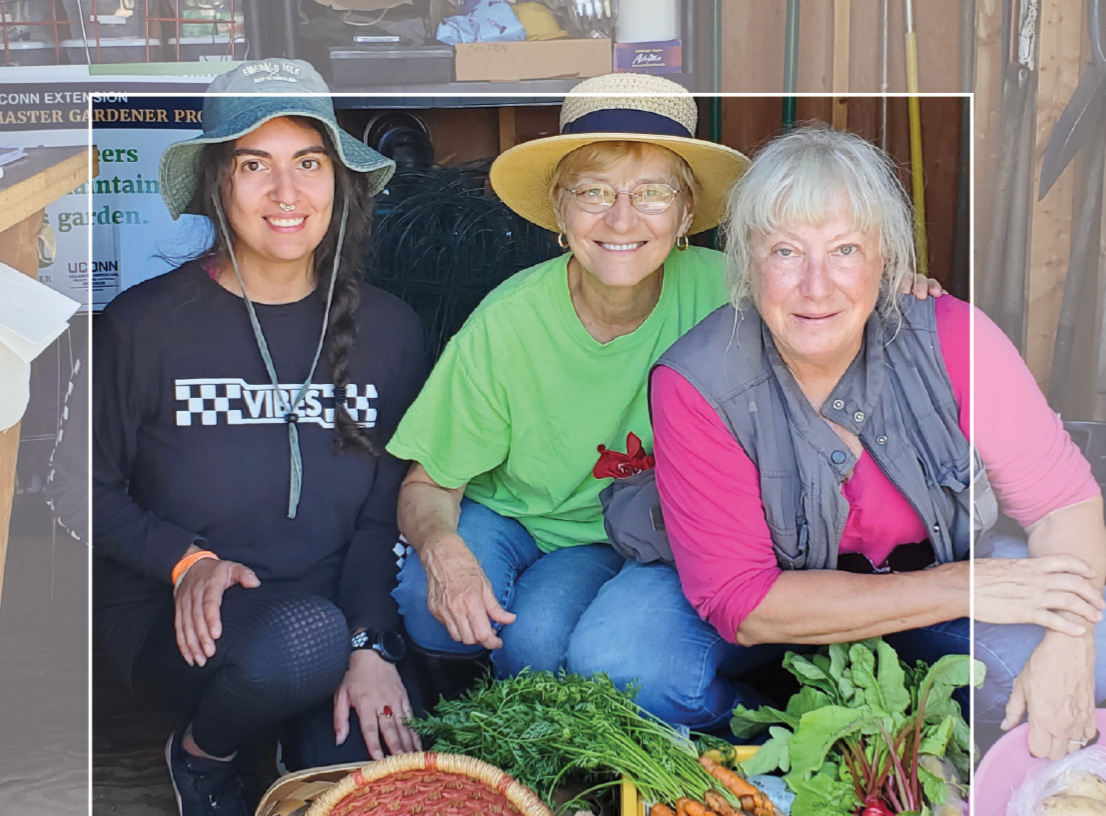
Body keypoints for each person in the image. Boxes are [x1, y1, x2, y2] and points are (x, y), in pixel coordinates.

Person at [388, 76, 934, 726]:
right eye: (594, 193)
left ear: (685, 215)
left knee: (540, 637)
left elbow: (823, 300)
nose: (622, 219)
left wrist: (888, 288)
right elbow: (425, 486)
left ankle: (720, 733)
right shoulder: (507, 322)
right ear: (561, 213)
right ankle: (468, 743)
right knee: (427, 593)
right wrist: (444, 551)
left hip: (651, 533)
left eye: (652, 193)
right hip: (518, 519)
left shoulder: (732, 295)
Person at [650, 123, 1106, 763]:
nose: (816, 285)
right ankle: (770, 745)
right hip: (782, 620)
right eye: (785, 251)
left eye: (844, 250)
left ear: (885, 260)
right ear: (748, 262)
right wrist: (962, 587)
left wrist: (1071, 635)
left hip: (933, 585)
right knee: (631, 660)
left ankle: (961, 763)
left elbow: (1063, 504)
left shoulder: (950, 335)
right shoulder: (696, 381)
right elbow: (743, 602)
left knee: (1098, 650)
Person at [92, 60, 426, 816]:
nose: (286, 190)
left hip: (331, 609)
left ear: (338, 184)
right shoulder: (143, 325)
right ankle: (205, 754)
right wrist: (185, 560)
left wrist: (370, 641)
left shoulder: (389, 331)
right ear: (217, 183)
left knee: (376, 803)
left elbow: (385, 514)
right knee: (292, 646)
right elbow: (78, 491)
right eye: (254, 163)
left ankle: (287, 720)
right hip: (182, 616)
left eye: (308, 162)